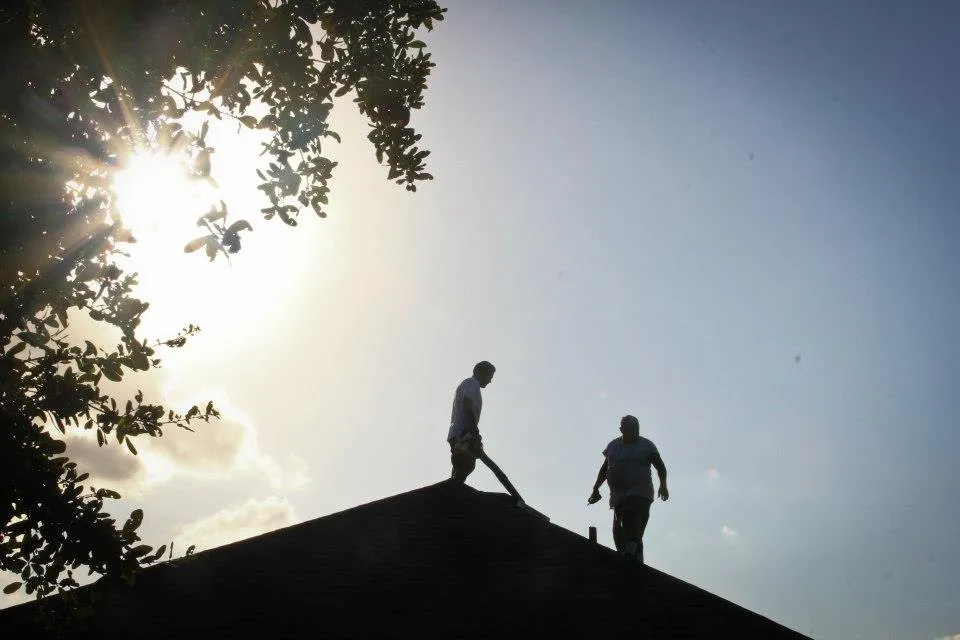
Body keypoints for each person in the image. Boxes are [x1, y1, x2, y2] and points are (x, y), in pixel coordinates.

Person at [588, 415, 668, 564]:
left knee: (629, 516)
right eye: (631, 429)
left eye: (637, 429)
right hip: (618, 495)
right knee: (618, 532)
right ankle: (633, 557)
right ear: (622, 430)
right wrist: (596, 488)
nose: (635, 432)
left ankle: (631, 555)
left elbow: (660, 466)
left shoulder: (646, 445)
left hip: (640, 492)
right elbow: (605, 468)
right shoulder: (613, 446)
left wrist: (663, 485)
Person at [447, 361, 495, 483]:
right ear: (480, 372)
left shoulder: (468, 384)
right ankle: (454, 490)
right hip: (462, 433)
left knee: (460, 464)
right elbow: (467, 403)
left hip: (458, 432)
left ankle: (453, 486)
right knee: (466, 463)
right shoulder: (472, 383)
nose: (490, 381)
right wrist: (474, 429)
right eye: (489, 376)